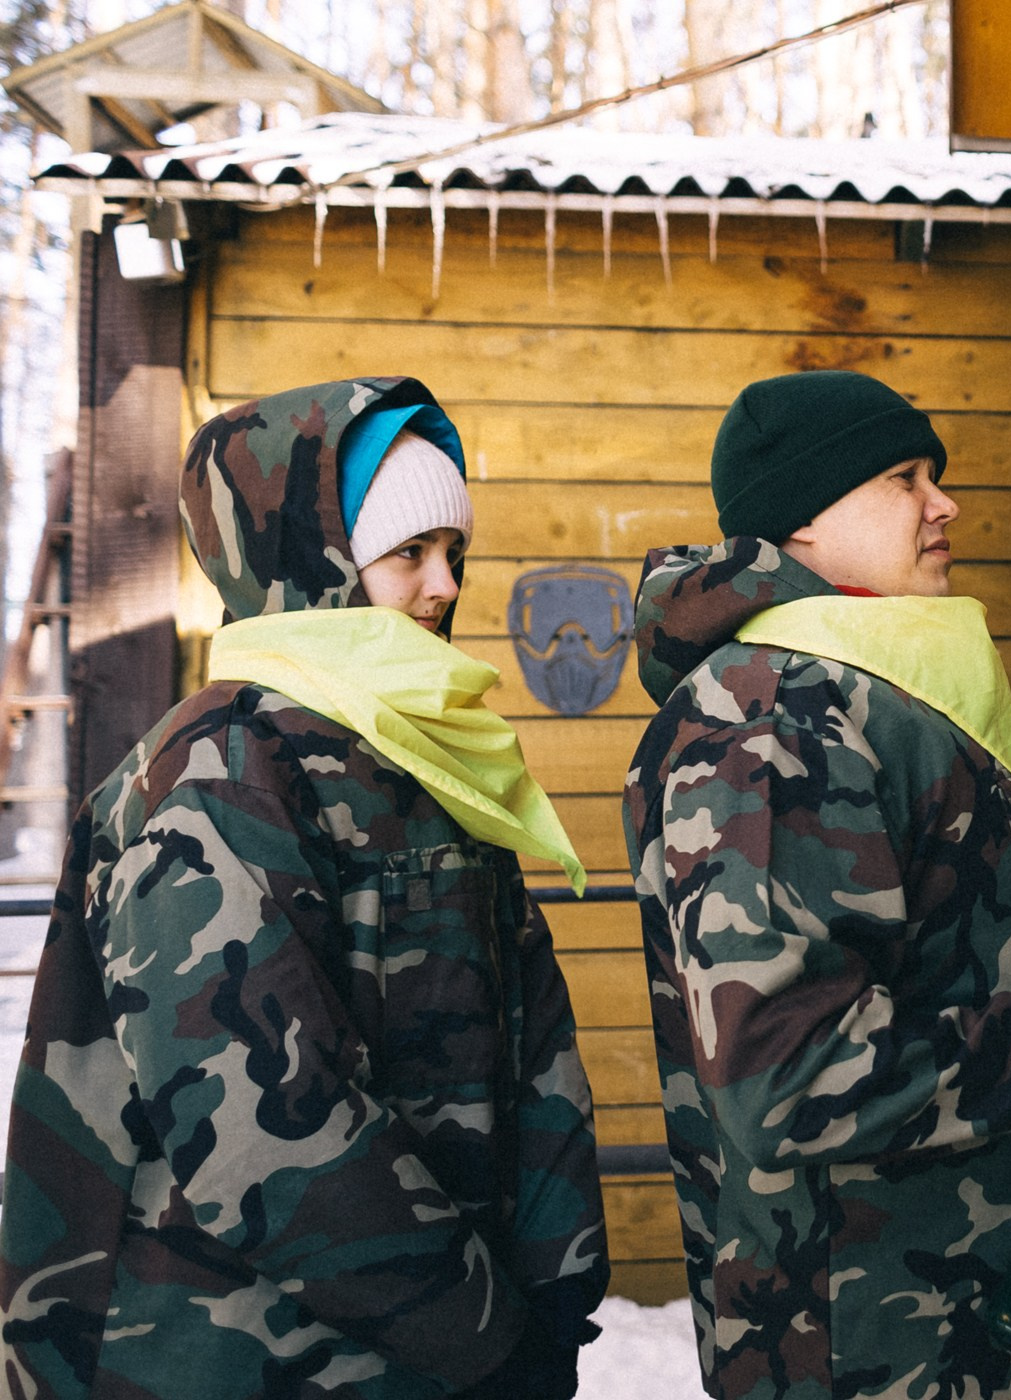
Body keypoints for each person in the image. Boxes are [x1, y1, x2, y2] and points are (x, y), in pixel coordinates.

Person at [625, 369, 1011, 1399]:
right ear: (807, 521)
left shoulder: (864, 687)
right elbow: (792, 1072)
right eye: (906, 477)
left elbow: (943, 932)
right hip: (887, 1351)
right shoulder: (775, 718)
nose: (944, 502)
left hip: (984, 1320)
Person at [0, 378, 609, 1398]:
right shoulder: (222, 772)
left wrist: (558, 1293)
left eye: (453, 551)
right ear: (311, 570)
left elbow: (532, 1051)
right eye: (407, 553)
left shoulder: (424, 759)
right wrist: (488, 1339)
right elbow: (270, 1126)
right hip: (238, 1352)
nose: (444, 584)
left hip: (440, 1346)